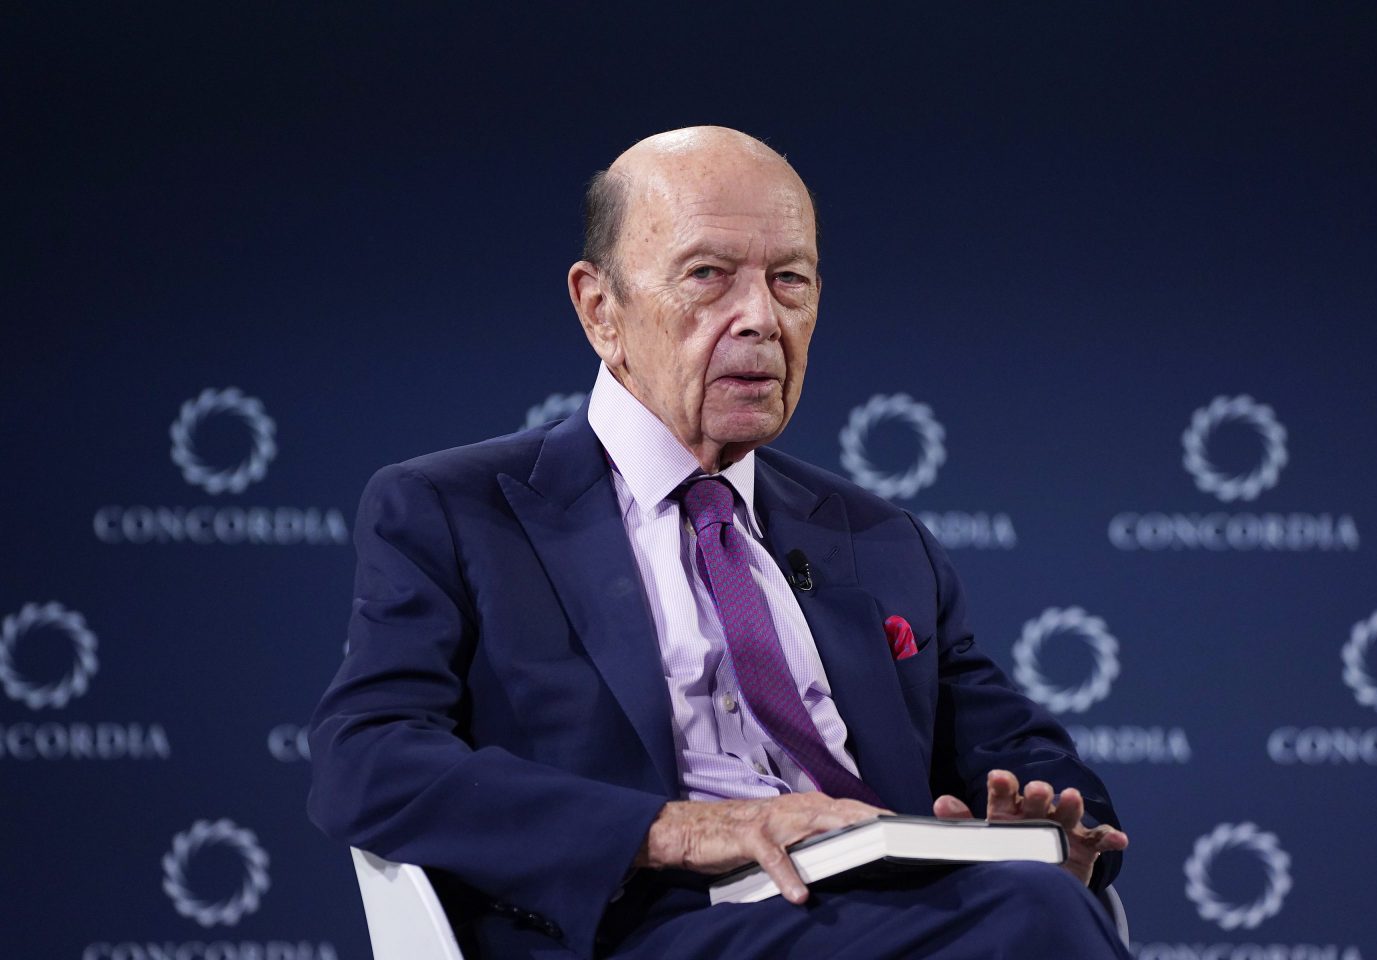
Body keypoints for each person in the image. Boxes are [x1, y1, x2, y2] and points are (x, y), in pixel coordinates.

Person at [309, 126, 1129, 959]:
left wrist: (1046, 818)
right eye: (708, 276)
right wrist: (679, 830)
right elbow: (369, 760)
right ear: (601, 309)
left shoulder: (879, 538)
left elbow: (1024, 754)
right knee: (1032, 920)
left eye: (790, 282)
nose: (761, 320)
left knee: (1035, 902)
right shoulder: (455, 510)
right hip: (643, 928)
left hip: (896, 914)